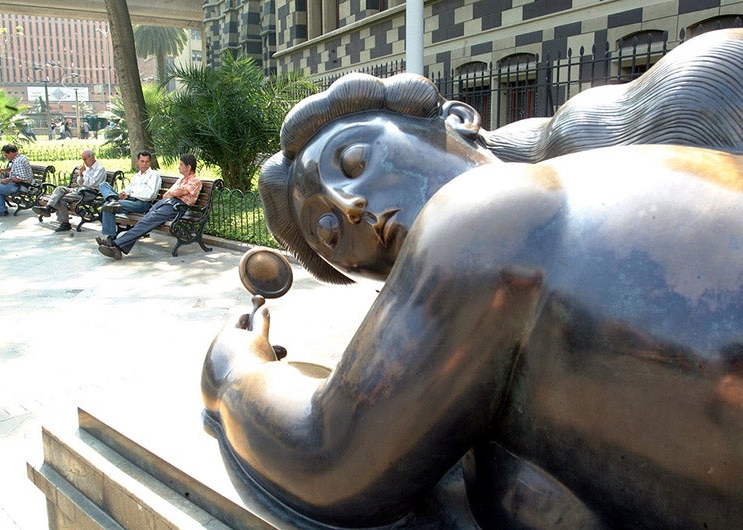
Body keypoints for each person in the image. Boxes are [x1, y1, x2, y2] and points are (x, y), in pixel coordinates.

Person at [201, 29, 743, 530]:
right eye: (328, 233)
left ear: (458, 120)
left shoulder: (490, 214)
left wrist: (232, 368)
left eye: (356, 159)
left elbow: (326, 459)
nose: (352, 209)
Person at [96, 153, 202, 260]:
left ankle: (115, 244)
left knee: (145, 223)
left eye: (181, 165)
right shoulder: (181, 180)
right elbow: (168, 194)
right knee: (143, 223)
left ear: (188, 167)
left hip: (176, 207)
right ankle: (117, 248)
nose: (179, 167)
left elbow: (180, 191)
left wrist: (173, 193)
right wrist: (173, 193)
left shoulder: (195, 181)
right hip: (166, 203)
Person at [32, 149, 107, 232]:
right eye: (83, 159)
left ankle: (65, 223)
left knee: (61, 199)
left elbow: (93, 183)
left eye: (85, 159)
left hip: (90, 193)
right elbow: (80, 183)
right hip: (81, 189)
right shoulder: (88, 169)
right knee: (59, 189)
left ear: (92, 157)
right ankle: (48, 208)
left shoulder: (100, 169)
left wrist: (84, 173)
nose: (84, 161)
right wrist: (80, 176)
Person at [97, 150, 161, 241]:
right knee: (103, 185)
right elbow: (129, 188)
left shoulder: (154, 175)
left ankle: (111, 237)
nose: (144, 164)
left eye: (147, 162)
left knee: (107, 206)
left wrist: (130, 194)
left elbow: (150, 195)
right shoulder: (136, 176)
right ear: (138, 161)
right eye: (142, 161)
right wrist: (124, 193)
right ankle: (112, 199)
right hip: (129, 201)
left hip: (141, 204)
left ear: (150, 162)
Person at [0, 144, 34, 217]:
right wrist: (4, 170)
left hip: (19, 186)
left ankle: (0, 211)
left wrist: (9, 179)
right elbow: (14, 169)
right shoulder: (20, 158)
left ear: (11, 152)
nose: (6, 157)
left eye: (6, 155)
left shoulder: (18, 162)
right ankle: (0, 209)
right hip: (18, 184)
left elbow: (21, 178)